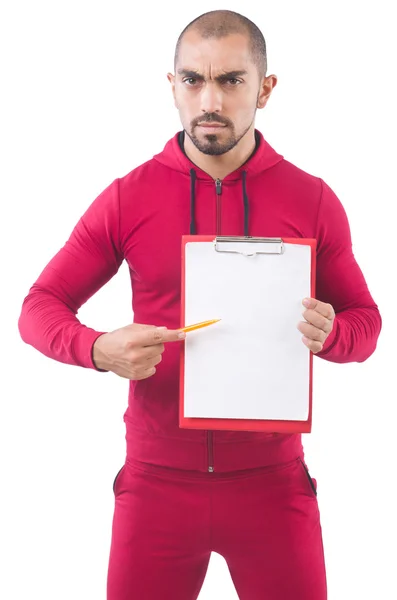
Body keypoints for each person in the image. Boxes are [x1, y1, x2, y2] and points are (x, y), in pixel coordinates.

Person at [18, 9, 382, 600]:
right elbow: (39, 306)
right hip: (156, 483)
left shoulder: (312, 199)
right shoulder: (127, 197)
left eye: (232, 81)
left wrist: (333, 333)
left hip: (272, 483)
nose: (209, 99)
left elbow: (367, 325)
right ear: (172, 86)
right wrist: (96, 348)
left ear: (265, 89)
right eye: (193, 80)